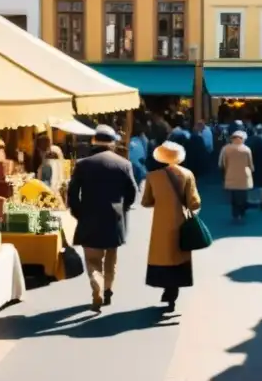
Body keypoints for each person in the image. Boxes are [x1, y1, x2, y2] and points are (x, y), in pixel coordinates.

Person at [67, 125, 138, 313]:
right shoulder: (124, 164)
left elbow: (72, 192)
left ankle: (96, 288)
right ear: (113, 143)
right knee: (111, 259)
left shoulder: (83, 164)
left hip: (89, 215)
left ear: (94, 141)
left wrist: (78, 212)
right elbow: (132, 192)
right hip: (114, 217)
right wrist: (122, 208)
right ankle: (108, 290)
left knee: (92, 260)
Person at [141, 141, 201, 312]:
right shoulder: (187, 174)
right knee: (178, 255)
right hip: (181, 222)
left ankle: (166, 289)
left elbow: (146, 201)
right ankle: (173, 293)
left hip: (160, 224)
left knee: (163, 255)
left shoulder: (153, 176)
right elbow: (194, 203)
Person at [219, 130, 254, 222]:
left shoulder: (226, 149)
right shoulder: (246, 149)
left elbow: (221, 163)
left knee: (233, 196)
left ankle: (235, 213)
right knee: (243, 195)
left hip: (231, 175)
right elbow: (250, 164)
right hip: (244, 176)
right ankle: (242, 211)